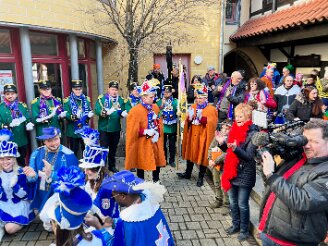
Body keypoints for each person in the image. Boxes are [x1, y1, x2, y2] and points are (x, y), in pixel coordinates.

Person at [259, 118, 328, 245]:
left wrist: (270, 174)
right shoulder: (299, 156)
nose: (306, 145)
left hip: (292, 242)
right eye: (305, 140)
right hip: (269, 231)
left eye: (313, 141)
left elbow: (303, 201)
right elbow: (271, 184)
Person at [86, 170, 175, 246]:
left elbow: (112, 241)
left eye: (113, 195)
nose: (113, 198)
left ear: (123, 196)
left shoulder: (126, 222)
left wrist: (98, 226)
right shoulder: (151, 204)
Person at [40, 166, 113, 245]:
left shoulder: (103, 188)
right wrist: (98, 225)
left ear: (55, 227)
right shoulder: (96, 238)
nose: (85, 172)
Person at [221, 103, 259, 241]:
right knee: (233, 202)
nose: (238, 118)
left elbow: (249, 156)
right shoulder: (234, 129)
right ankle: (235, 225)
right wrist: (222, 143)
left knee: (242, 204)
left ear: (248, 116)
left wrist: (236, 148)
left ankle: (244, 230)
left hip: (245, 173)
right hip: (232, 171)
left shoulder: (253, 133)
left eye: (241, 116)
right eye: (236, 116)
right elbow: (229, 150)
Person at [28, 127, 79, 211]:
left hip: (59, 197)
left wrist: (51, 174)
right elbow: (32, 179)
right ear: (44, 141)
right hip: (42, 195)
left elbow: (72, 181)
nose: (53, 143)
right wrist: (32, 176)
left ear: (59, 138)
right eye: (49, 140)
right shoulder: (36, 153)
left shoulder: (68, 155)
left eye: (56, 139)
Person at [125, 80, 166, 182]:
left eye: (154, 96)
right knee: (141, 162)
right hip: (142, 142)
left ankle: (156, 180)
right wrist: (145, 132)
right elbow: (132, 130)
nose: (154, 99)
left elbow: (159, 122)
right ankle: (140, 182)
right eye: (151, 97)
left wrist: (158, 132)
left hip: (154, 141)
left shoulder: (155, 107)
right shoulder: (135, 111)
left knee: (156, 160)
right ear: (144, 97)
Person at [178, 83, 218, 187]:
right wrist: (189, 119)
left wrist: (204, 120)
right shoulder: (193, 106)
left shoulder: (211, 109)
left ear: (205, 98)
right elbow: (188, 121)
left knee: (203, 155)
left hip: (203, 136)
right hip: (193, 134)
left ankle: (201, 177)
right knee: (191, 153)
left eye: (201, 98)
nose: (198, 100)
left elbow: (213, 123)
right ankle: (188, 173)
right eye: (197, 97)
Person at [0, 129, 36, 241]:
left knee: (9, 229)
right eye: (1, 159)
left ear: (14, 159)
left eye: (8, 159)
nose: (5, 162)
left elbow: (25, 196)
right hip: (4, 204)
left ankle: (22, 220)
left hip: (19, 204)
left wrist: (15, 186)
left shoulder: (20, 173)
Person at [78, 127, 119, 219]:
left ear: (99, 169)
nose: (85, 171)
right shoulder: (87, 178)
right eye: (85, 168)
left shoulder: (106, 187)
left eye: (89, 169)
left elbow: (104, 214)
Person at [95, 80, 127, 173]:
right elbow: (97, 110)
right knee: (104, 149)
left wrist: (123, 114)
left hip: (115, 128)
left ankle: (112, 166)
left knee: (113, 149)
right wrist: (105, 113)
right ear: (108, 89)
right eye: (112, 89)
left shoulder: (120, 100)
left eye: (116, 90)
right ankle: (103, 167)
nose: (114, 91)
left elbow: (122, 111)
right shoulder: (102, 99)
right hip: (104, 128)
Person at [0, 84, 34, 166]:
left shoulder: (21, 106)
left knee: (21, 162)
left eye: (12, 94)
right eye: (7, 94)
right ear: (4, 95)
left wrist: (28, 123)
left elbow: (27, 118)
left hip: (21, 140)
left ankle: (21, 178)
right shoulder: (1, 107)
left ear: (16, 94)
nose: (10, 96)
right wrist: (7, 125)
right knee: (8, 163)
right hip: (7, 141)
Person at [63, 80, 94, 156]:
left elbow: (89, 110)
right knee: (74, 151)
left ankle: (87, 167)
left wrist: (89, 116)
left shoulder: (86, 99)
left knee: (86, 150)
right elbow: (66, 114)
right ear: (73, 89)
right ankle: (74, 166)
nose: (78, 91)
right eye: (76, 89)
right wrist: (74, 117)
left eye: (79, 89)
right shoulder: (67, 101)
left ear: (82, 89)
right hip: (73, 130)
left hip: (84, 129)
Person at [207, 119, 232, 209]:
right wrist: (210, 159)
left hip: (225, 166)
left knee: (224, 184)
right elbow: (210, 148)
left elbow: (228, 154)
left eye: (227, 129)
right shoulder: (217, 137)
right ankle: (218, 200)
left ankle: (226, 203)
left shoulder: (231, 140)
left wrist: (215, 161)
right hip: (215, 165)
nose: (224, 131)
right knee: (216, 183)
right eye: (223, 128)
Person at [156, 84, 178, 167]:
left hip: (172, 126)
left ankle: (172, 160)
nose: (166, 94)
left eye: (168, 92)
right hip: (163, 126)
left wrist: (179, 113)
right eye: (164, 92)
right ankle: (164, 159)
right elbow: (156, 111)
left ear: (171, 93)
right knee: (163, 144)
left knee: (172, 144)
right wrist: (162, 105)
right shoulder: (159, 101)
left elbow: (179, 110)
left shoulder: (175, 101)